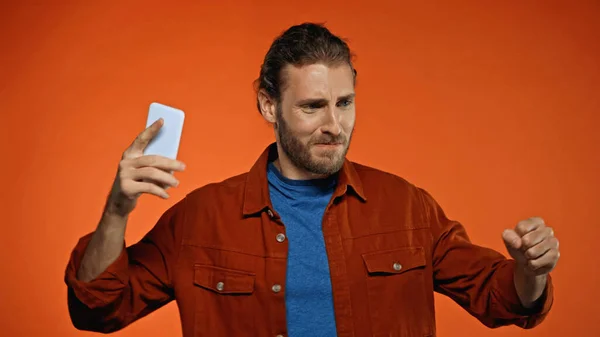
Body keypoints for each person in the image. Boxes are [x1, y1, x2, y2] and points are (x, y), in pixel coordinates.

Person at [64, 22, 559, 337]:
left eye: (344, 103)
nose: (334, 125)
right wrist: (116, 211)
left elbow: (502, 299)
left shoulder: (409, 207)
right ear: (267, 105)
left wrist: (530, 270)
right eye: (313, 106)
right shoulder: (200, 218)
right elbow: (99, 310)